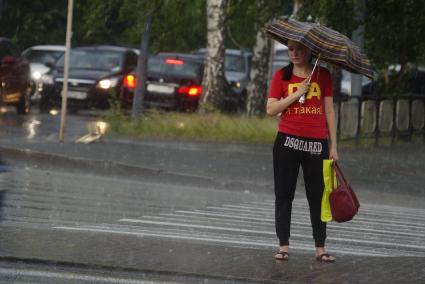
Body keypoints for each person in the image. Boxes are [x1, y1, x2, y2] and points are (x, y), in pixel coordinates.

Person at [266, 40, 338, 263]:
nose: (295, 53)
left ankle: (320, 247)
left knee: (317, 196)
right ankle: (283, 245)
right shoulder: (282, 76)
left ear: (309, 51)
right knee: (284, 194)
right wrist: (297, 93)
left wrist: (334, 145)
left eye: (300, 49)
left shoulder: (323, 75)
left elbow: (329, 111)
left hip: (316, 143)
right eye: (291, 49)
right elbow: (271, 109)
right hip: (287, 142)